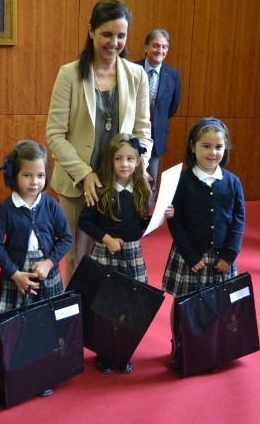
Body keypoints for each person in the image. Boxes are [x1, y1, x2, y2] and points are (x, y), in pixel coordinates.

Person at [46, 0, 152, 284]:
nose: (114, 42)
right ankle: (76, 319)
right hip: (78, 182)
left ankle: (107, 321)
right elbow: (54, 134)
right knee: (76, 258)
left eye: (121, 35)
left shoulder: (137, 75)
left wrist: (137, 166)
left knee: (115, 255)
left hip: (120, 182)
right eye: (107, 34)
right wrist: (85, 174)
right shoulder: (69, 74)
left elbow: (143, 132)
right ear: (91, 31)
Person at [78, 134, 173, 374]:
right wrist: (106, 238)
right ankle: (103, 352)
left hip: (132, 253)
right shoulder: (101, 189)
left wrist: (161, 216)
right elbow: (85, 222)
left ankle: (123, 350)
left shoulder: (142, 188)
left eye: (130, 159)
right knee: (105, 304)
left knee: (132, 304)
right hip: (105, 251)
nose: (124, 164)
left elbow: (141, 226)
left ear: (138, 161)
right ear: (109, 161)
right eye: (118, 159)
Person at [0, 140, 72, 397]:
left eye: (40, 175)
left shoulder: (51, 205)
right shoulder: (6, 209)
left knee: (43, 323)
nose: (34, 182)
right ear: (14, 175)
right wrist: (14, 274)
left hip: (47, 272)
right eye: (27, 175)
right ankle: (17, 368)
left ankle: (42, 371)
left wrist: (49, 263)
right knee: (17, 325)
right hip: (17, 274)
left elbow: (66, 238)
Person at [162, 118, 245, 366]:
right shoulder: (182, 181)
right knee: (184, 305)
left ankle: (213, 349)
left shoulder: (232, 182)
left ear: (226, 148)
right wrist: (190, 255)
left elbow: (238, 220)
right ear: (193, 147)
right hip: (191, 257)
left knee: (217, 306)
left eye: (218, 147)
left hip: (220, 259)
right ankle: (181, 348)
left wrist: (229, 255)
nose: (213, 152)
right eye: (206, 146)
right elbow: (174, 221)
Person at [134, 29, 181, 205]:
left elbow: (173, 107)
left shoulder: (173, 75)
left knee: (150, 179)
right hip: (130, 132)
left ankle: (144, 215)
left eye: (164, 47)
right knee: (126, 174)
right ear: (146, 47)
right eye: (155, 46)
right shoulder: (132, 69)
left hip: (155, 137)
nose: (159, 50)